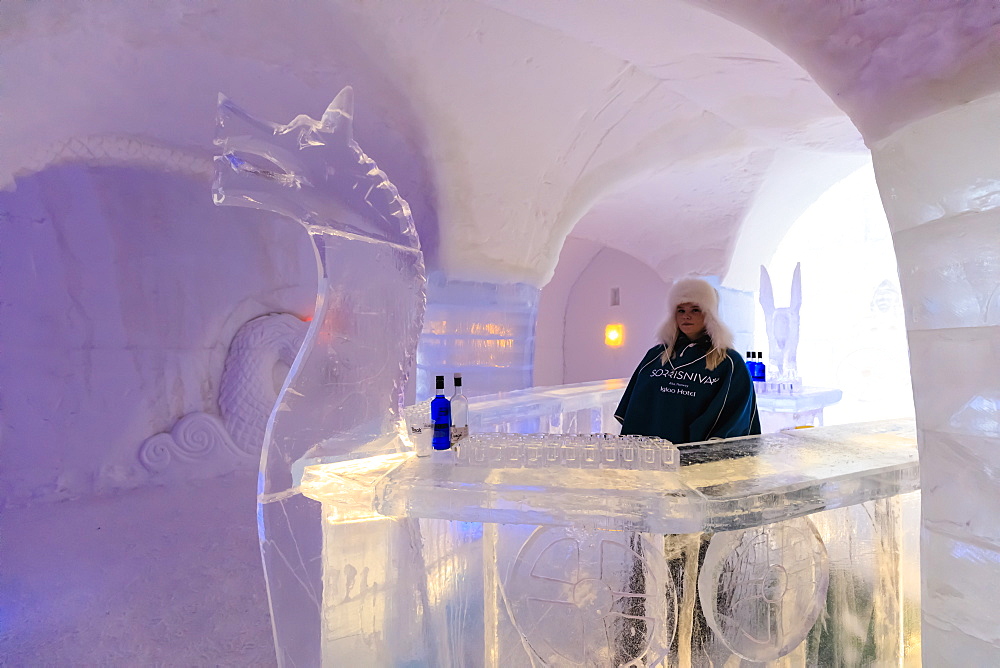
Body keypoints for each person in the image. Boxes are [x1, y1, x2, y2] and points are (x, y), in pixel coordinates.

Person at [615, 277, 760, 444]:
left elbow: (735, 413)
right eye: (681, 310)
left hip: (696, 457)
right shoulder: (655, 356)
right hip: (650, 453)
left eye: (695, 310)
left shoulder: (728, 362)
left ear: (709, 314)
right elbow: (637, 405)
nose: (687, 317)